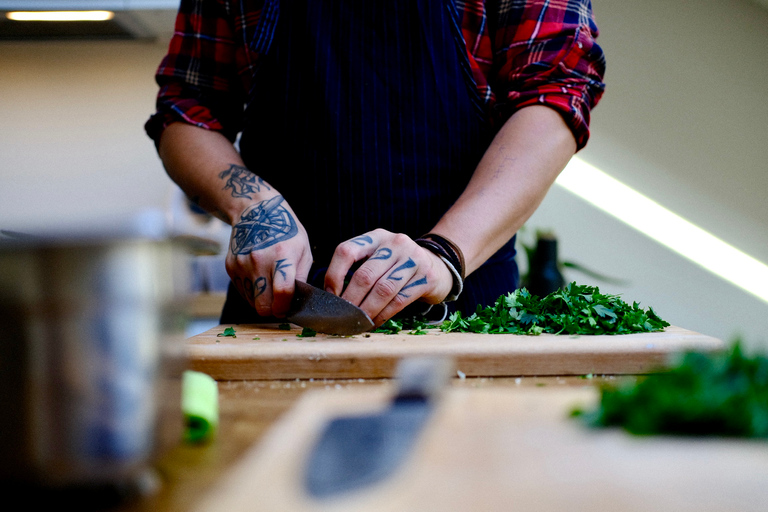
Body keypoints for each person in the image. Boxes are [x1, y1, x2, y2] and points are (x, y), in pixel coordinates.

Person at [145, 0, 606, 327]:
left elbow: (556, 93)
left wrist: (445, 252)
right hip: (276, 319)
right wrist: (255, 207)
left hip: (469, 318)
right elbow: (186, 111)